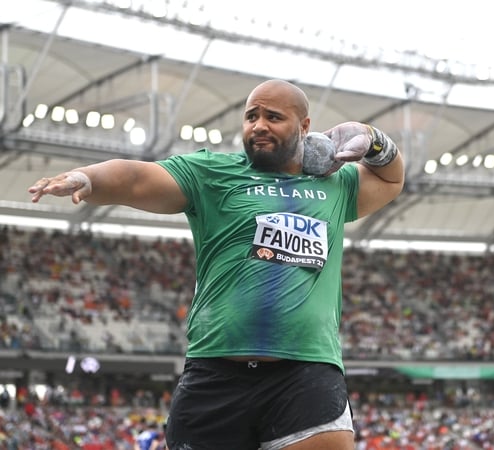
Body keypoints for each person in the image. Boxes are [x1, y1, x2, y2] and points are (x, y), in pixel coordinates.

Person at [28, 79, 405, 449]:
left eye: (273, 117)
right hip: (216, 373)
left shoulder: (335, 185)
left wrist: (373, 139)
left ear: (304, 126)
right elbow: (137, 178)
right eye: (251, 116)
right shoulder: (212, 173)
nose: (259, 125)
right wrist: (86, 178)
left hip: (306, 373)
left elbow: (391, 180)